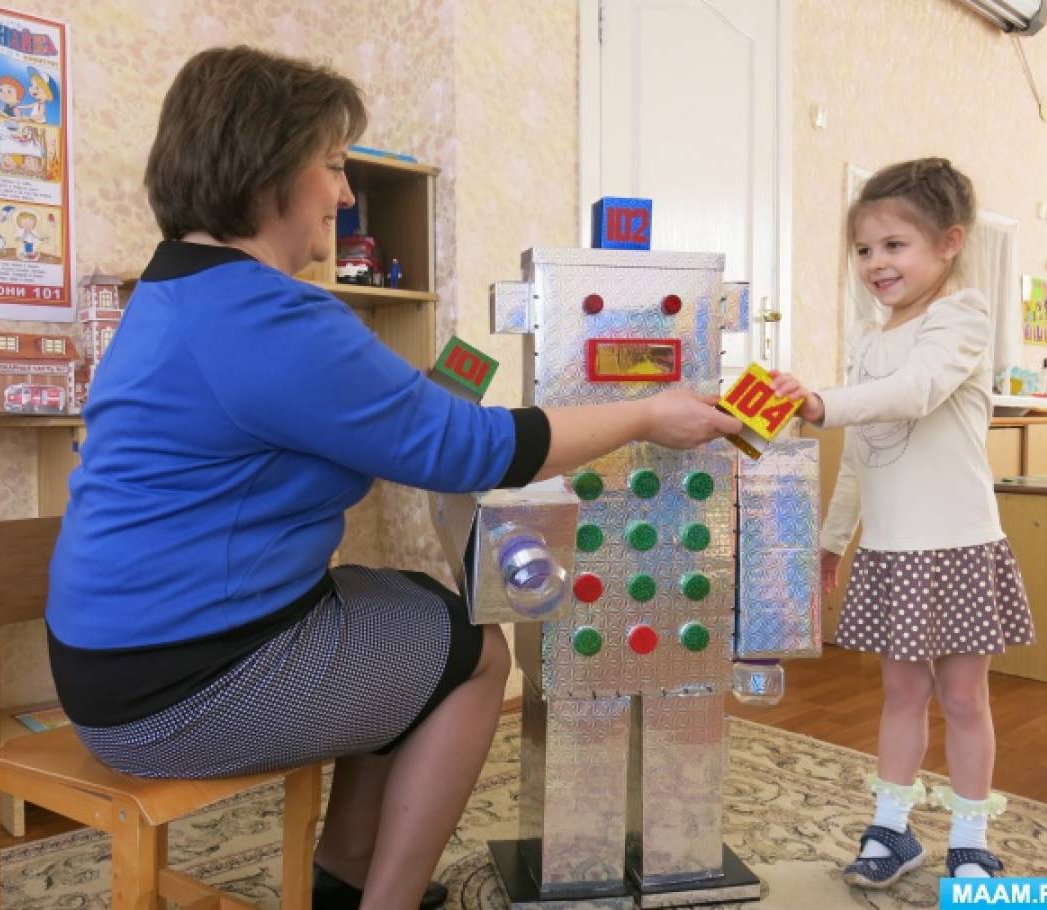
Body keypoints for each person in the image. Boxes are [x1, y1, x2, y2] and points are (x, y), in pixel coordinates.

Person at [45, 46, 742, 910]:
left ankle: (342, 876)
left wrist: (420, 411)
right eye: (333, 165)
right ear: (266, 169)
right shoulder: (265, 314)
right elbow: (473, 450)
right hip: (176, 689)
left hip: (113, 662)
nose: (344, 195)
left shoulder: (178, 292)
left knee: (407, 605)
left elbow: (362, 422)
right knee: (476, 656)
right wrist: (645, 415)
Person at [770, 158, 1034, 888]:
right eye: (863, 249)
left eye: (894, 245)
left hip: (956, 547)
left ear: (949, 243)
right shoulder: (869, 339)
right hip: (890, 552)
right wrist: (831, 541)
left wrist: (820, 402)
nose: (875, 263)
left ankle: (970, 839)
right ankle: (892, 830)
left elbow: (915, 392)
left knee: (962, 699)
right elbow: (863, 453)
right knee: (901, 696)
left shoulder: (961, 316)